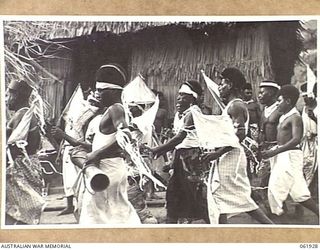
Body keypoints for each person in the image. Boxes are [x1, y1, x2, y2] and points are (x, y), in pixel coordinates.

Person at [201, 68, 273, 224]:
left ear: (231, 84)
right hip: (228, 155)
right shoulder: (233, 105)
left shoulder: (235, 106)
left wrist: (217, 153)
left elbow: (239, 135)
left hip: (231, 156)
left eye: (222, 83)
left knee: (224, 197)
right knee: (224, 197)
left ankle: (273, 228)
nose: (219, 87)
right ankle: (222, 235)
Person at [80, 63, 140, 224]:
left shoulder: (116, 109)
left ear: (113, 91)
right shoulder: (113, 109)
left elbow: (126, 137)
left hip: (108, 170)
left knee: (103, 214)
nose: (97, 94)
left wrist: (97, 153)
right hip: (110, 167)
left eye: (101, 90)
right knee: (115, 212)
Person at [148, 80, 209, 224]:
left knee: (195, 195)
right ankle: (172, 223)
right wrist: (172, 162)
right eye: (179, 95)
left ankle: (215, 225)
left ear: (192, 98)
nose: (178, 98)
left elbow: (180, 137)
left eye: (183, 96)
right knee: (174, 194)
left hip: (191, 159)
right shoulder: (180, 114)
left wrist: (158, 149)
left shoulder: (193, 113)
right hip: (181, 157)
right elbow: (178, 143)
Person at [261, 85, 319, 219]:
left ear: (287, 101)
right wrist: (273, 149)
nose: (277, 104)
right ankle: (280, 216)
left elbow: (296, 140)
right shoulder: (283, 117)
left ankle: (279, 217)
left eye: (279, 100)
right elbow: (282, 139)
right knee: (293, 191)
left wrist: (276, 151)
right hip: (283, 155)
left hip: (291, 156)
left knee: (282, 190)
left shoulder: (295, 117)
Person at [5, 80, 45, 225]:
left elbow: (13, 148)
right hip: (28, 167)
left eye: (9, 94)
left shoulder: (22, 115)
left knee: (17, 216)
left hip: (21, 169)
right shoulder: (26, 113)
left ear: (19, 96)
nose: (6, 98)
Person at [256, 80, 282, 212]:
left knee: (275, 181)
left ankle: (278, 209)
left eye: (262, 92)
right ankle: (272, 208)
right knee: (264, 181)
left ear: (272, 93)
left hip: (277, 150)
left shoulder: (280, 110)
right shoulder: (265, 109)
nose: (259, 95)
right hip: (265, 150)